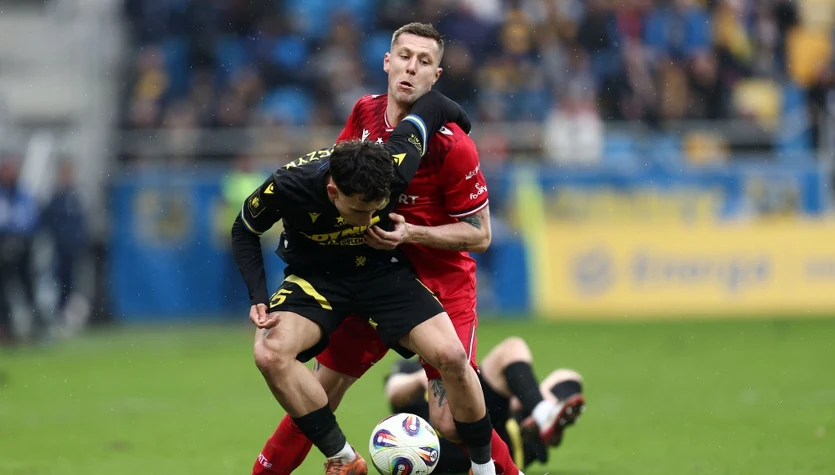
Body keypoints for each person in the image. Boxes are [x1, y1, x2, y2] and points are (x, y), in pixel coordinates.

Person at [252, 22, 525, 475]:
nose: (411, 68)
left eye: (424, 62)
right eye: (404, 56)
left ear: (436, 76)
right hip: (370, 274)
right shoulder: (364, 112)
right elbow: (337, 184)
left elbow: (480, 236)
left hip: (439, 283)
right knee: (318, 396)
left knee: (450, 421)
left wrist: (412, 233)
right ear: (387, 61)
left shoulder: (454, 147)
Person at [385, 336, 585, 473]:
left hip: (494, 428)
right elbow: (393, 392)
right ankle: (543, 415)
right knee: (512, 348)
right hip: (439, 447)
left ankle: (543, 413)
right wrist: (422, 379)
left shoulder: (459, 358)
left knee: (566, 376)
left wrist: (522, 398)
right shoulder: (410, 366)